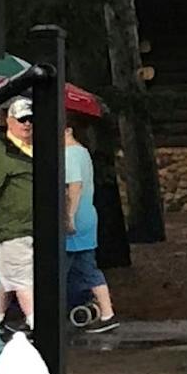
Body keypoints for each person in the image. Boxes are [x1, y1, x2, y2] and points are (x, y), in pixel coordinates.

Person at [0, 98, 38, 334]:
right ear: (9, 121)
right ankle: (38, 324)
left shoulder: (31, 150)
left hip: (27, 228)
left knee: (5, 280)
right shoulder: (2, 152)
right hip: (11, 228)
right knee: (21, 278)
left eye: (30, 119)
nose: (27, 124)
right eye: (21, 119)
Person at [62, 122, 118, 334]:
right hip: (88, 216)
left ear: (69, 130)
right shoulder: (83, 153)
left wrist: (68, 216)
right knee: (88, 268)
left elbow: (74, 187)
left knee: (56, 269)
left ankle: (41, 317)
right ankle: (107, 313)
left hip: (75, 218)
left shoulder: (69, 155)